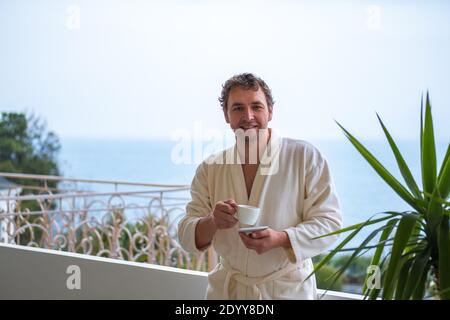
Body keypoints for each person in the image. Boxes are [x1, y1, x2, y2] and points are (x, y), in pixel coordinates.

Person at [177, 73, 343, 299]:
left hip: (286, 291)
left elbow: (330, 224)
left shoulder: (304, 157)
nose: (248, 116)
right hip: (228, 292)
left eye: (256, 106)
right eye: (237, 108)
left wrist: (281, 239)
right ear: (226, 115)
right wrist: (213, 221)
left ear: (270, 111)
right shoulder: (210, 168)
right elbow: (187, 235)